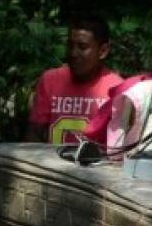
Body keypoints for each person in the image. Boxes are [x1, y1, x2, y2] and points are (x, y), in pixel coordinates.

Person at [26, 15, 123, 144]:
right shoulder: (50, 80)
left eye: (82, 47)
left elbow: (120, 145)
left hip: (96, 164)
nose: (73, 53)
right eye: (70, 46)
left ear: (103, 51)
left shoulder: (117, 88)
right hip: (51, 163)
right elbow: (33, 135)